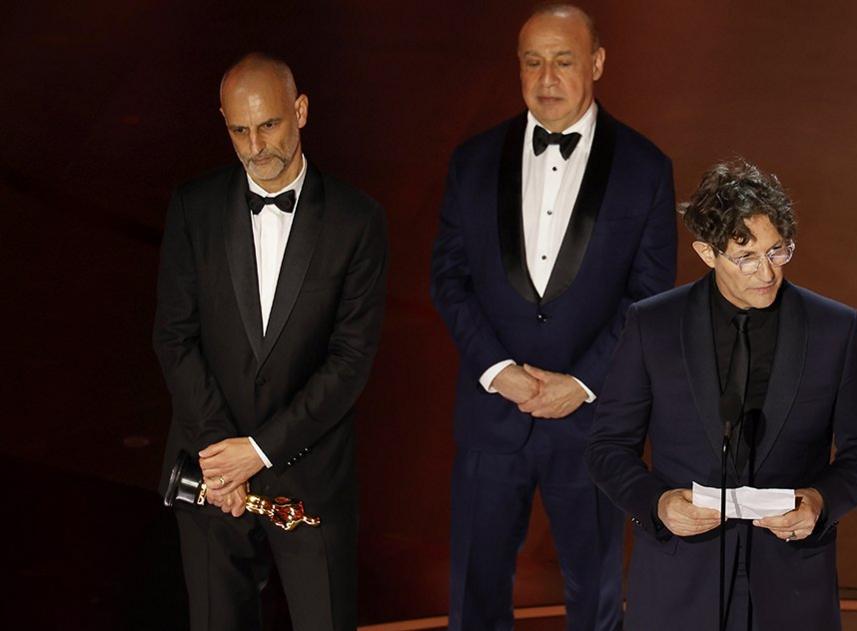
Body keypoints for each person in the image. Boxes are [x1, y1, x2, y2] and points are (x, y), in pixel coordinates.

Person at [430, 4, 677, 629]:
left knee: (595, 595)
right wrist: (497, 370)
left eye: (564, 61)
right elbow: (449, 279)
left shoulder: (646, 169)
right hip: (492, 417)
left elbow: (649, 298)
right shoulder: (473, 161)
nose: (547, 78)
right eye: (533, 62)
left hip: (591, 424)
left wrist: (582, 383)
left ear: (595, 64)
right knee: (475, 591)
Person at [586, 158, 857, 630]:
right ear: (707, 253)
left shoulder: (836, 329)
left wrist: (819, 501)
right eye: (746, 257)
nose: (766, 273)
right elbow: (608, 447)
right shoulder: (653, 325)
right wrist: (659, 504)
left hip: (791, 585)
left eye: (777, 251)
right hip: (678, 582)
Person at [153, 52, 387, 631]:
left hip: (310, 480)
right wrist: (221, 461)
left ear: (300, 111)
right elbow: (174, 338)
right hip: (210, 480)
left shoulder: (359, 221)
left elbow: (350, 360)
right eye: (239, 130)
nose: (256, 145)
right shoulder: (193, 208)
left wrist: (257, 451)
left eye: (269, 124)